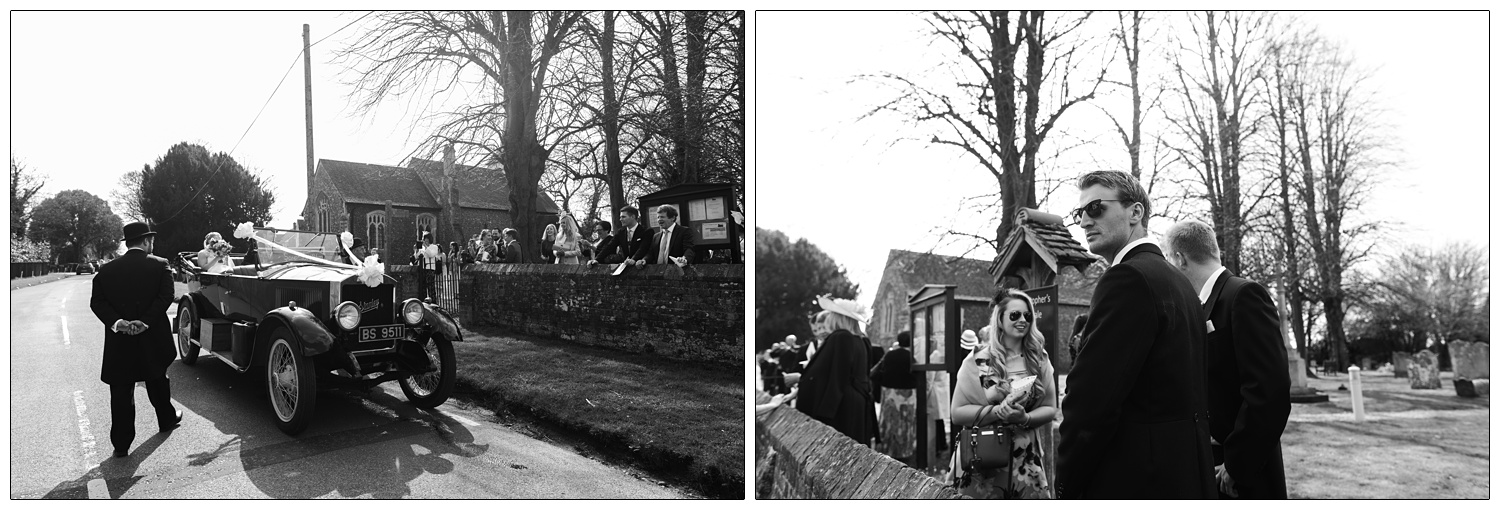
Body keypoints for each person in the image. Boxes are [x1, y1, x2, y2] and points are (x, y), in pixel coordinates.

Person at [1056, 170, 1215, 499]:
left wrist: (1066, 485)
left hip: (1137, 480)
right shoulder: (1180, 282)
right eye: (1079, 213)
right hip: (1185, 476)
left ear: (1135, 212)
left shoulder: (1126, 279)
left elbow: (1091, 403)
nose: (1084, 221)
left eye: (1096, 207)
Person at [1164, 219, 1291, 499]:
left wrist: (1236, 464)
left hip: (1242, 474)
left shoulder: (1243, 294)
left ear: (1179, 258)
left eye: (1168, 260)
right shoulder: (1198, 303)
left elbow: (1270, 391)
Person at [950, 290, 1058, 499]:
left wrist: (1025, 418)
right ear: (1000, 319)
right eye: (1015, 315)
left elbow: (1051, 407)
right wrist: (999, 411)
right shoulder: (977, 361)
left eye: (1028, 316)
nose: (1022, 320)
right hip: (982, 458)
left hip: (1025, 461)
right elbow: (957, 413)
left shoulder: (1039, 359)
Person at [90, 222, 182, 458]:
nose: (153, 244)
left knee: (121, 390)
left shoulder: (106, 269)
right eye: (151, 240)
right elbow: (166, 296)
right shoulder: (160, 265)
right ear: (145, 241)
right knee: (157, 378)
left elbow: (97, 302)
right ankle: (166, 420)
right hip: (151, 336)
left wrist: (119, 323)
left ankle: (121, 444)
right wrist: (145, 322)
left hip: (120, 340)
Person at [794, 296, 875, 446]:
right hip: (855, 403)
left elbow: (837, 377)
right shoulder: (861, 339)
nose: (828, 318)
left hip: (842, 407)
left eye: (831, 314)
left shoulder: (841, 337)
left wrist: (825, 414)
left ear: (837, 318)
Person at [870, 331, 919, 462]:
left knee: (889, 423)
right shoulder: (912, 357)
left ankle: (886, 448)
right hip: (907, 397)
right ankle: (904, 451)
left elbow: (874, 372)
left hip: (889, 394)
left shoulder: (890, 355)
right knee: (905, 424)